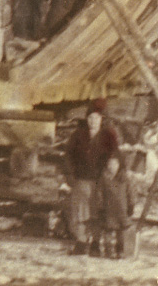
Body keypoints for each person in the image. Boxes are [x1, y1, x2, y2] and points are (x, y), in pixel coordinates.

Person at [65, 105, 119, 256]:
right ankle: (81, 242)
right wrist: (70, 174)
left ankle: (95, 243)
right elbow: (68, 155)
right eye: (90, 118)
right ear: (86, 119)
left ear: (101, 119)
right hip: (81, 180)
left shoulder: (108, 136)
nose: (93, 121)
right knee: (80, 213)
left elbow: (115, 157)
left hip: (100, 181)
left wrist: (109, 174)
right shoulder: (78, 135)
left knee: (96, 213)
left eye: (96, 118)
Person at [95, 153, 135, 259]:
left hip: (122, 208)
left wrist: (131, 205)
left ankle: (120, 251)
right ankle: (108, 251)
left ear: (118, 165)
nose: (112, 166)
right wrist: (100, 207)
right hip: (108, 209)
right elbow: (99, 193)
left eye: (114, 164)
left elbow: (130, 192)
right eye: (110, 164)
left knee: (120, 232)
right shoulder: (104, 177)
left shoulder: (124, 177)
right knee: (108, 230)